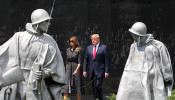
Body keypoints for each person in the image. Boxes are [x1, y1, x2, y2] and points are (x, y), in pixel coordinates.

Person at [0, 9, 65, 100]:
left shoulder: (50, 41)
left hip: (36, 84)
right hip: (17, 82)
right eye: (46, 21)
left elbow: (55, 66)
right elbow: (3, 52)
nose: (49, 23)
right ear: (38, 23)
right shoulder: (19, 36)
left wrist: (44, 73)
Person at [116, 22, 174, 100]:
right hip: (133, 81)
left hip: (152, 79)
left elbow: (165, 64)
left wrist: (167, 78)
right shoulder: (133, 46)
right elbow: (129, 63)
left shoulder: (157, 46)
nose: (131, 35)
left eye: (134, 34)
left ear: (139, 35)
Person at [83, 34, 110, 100]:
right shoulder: (88, 48)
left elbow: (107, 60)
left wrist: (107, 71)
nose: (93, 40)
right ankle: (95, 98)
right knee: (94, 87)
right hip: (92, 71)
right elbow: (86, 60)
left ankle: (100, 98)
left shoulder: (104, 47)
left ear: (98, 39)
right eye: (92, 39)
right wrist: (84, 70)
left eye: (94, 39)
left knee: (98, 85)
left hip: (100, 70)